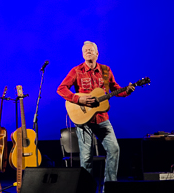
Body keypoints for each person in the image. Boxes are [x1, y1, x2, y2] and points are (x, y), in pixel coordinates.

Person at [57, 41, 135, 186]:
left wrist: (127, 91)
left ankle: (110, 187)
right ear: (82, 54)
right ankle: (86, 189)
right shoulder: (76, 71)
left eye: (91, 50)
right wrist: (78, 99)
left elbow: (115, 88)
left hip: (101, 118)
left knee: (114, 149)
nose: (88, 52)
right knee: (86, 158)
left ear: (97, 53)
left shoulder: (105, 70)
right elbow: (61, 89)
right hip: (83, 120)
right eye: (85, 50)